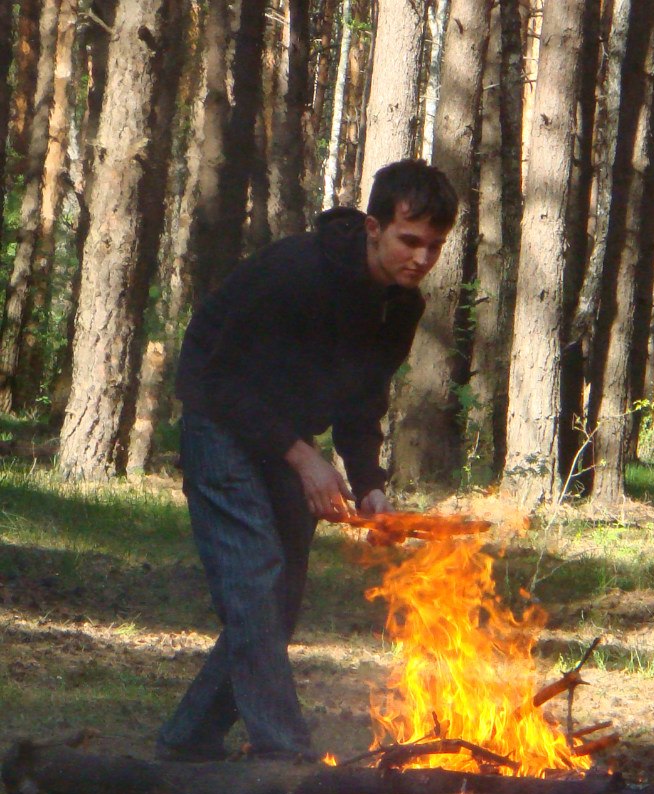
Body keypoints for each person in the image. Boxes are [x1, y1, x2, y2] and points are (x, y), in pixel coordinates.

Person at [156, 159, 458, 762]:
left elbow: (361, 398)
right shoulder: (297, 271)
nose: (422, 259)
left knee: (278, 604)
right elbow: (207, 375)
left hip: (284, 438)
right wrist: (302, 457)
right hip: (220, 423)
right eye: (409, 240)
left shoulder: (400, 306)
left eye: (434, 246)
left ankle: (187, 741)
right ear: (374, 227)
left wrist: (370, 483)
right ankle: (285, 757)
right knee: (257, 582)